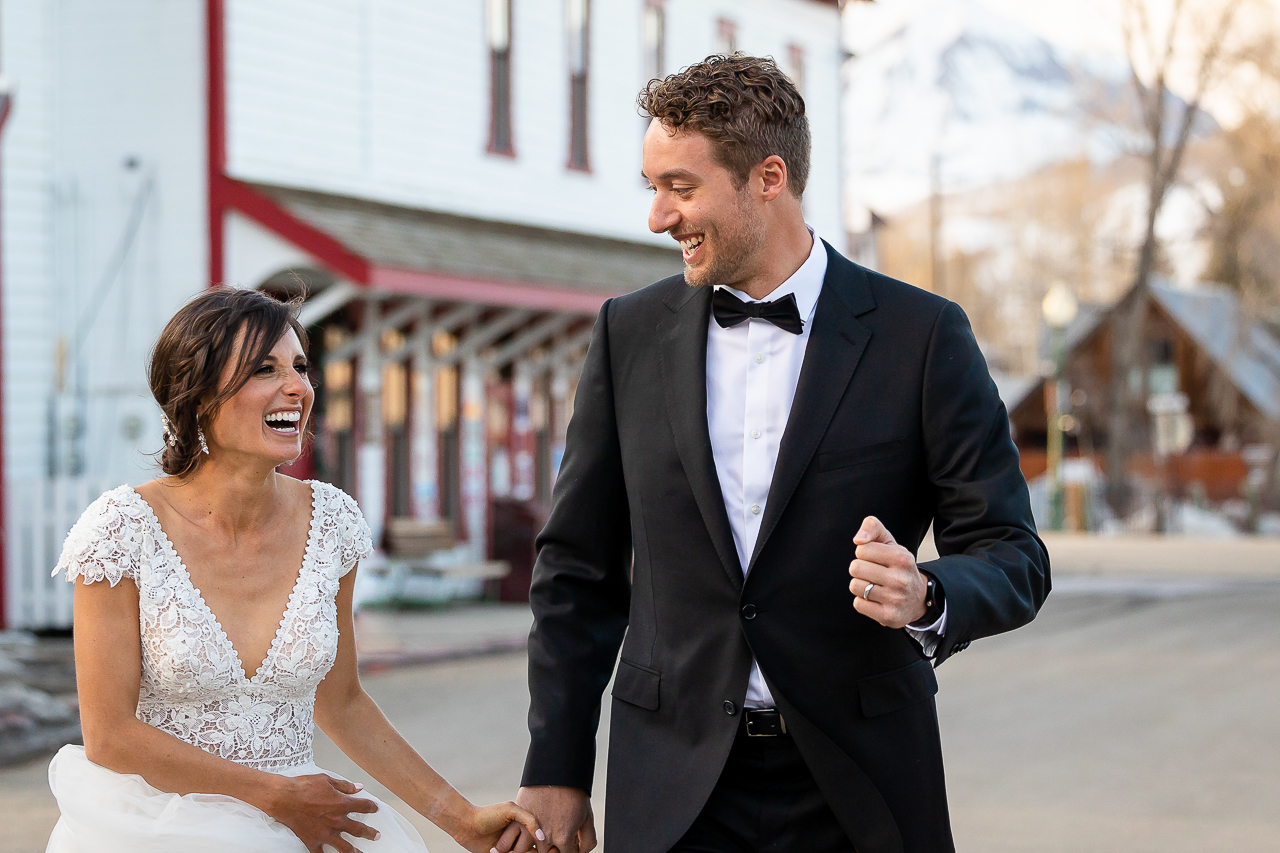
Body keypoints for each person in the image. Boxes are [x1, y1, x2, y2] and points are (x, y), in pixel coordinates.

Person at [514, 55, 1050, 853]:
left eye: (681, 187)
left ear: (769, 177)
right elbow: (577, 570)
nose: (658, 216)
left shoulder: (923, 337)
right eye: (651, 185)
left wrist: (927, 593)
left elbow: (1014, 554)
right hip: (672, 791)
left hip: (859, 789)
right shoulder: (626, 334)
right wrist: (555, 765)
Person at [46, 288, 542, 853]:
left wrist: (460, 820)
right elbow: (110, 737)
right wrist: (275, 796)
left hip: (305, 820)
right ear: (198, 395)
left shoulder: (332, 522)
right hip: (154, 830)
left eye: (300, 367)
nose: (297, 388)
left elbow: (343, 702)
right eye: (265, 369)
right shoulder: (121, 531)